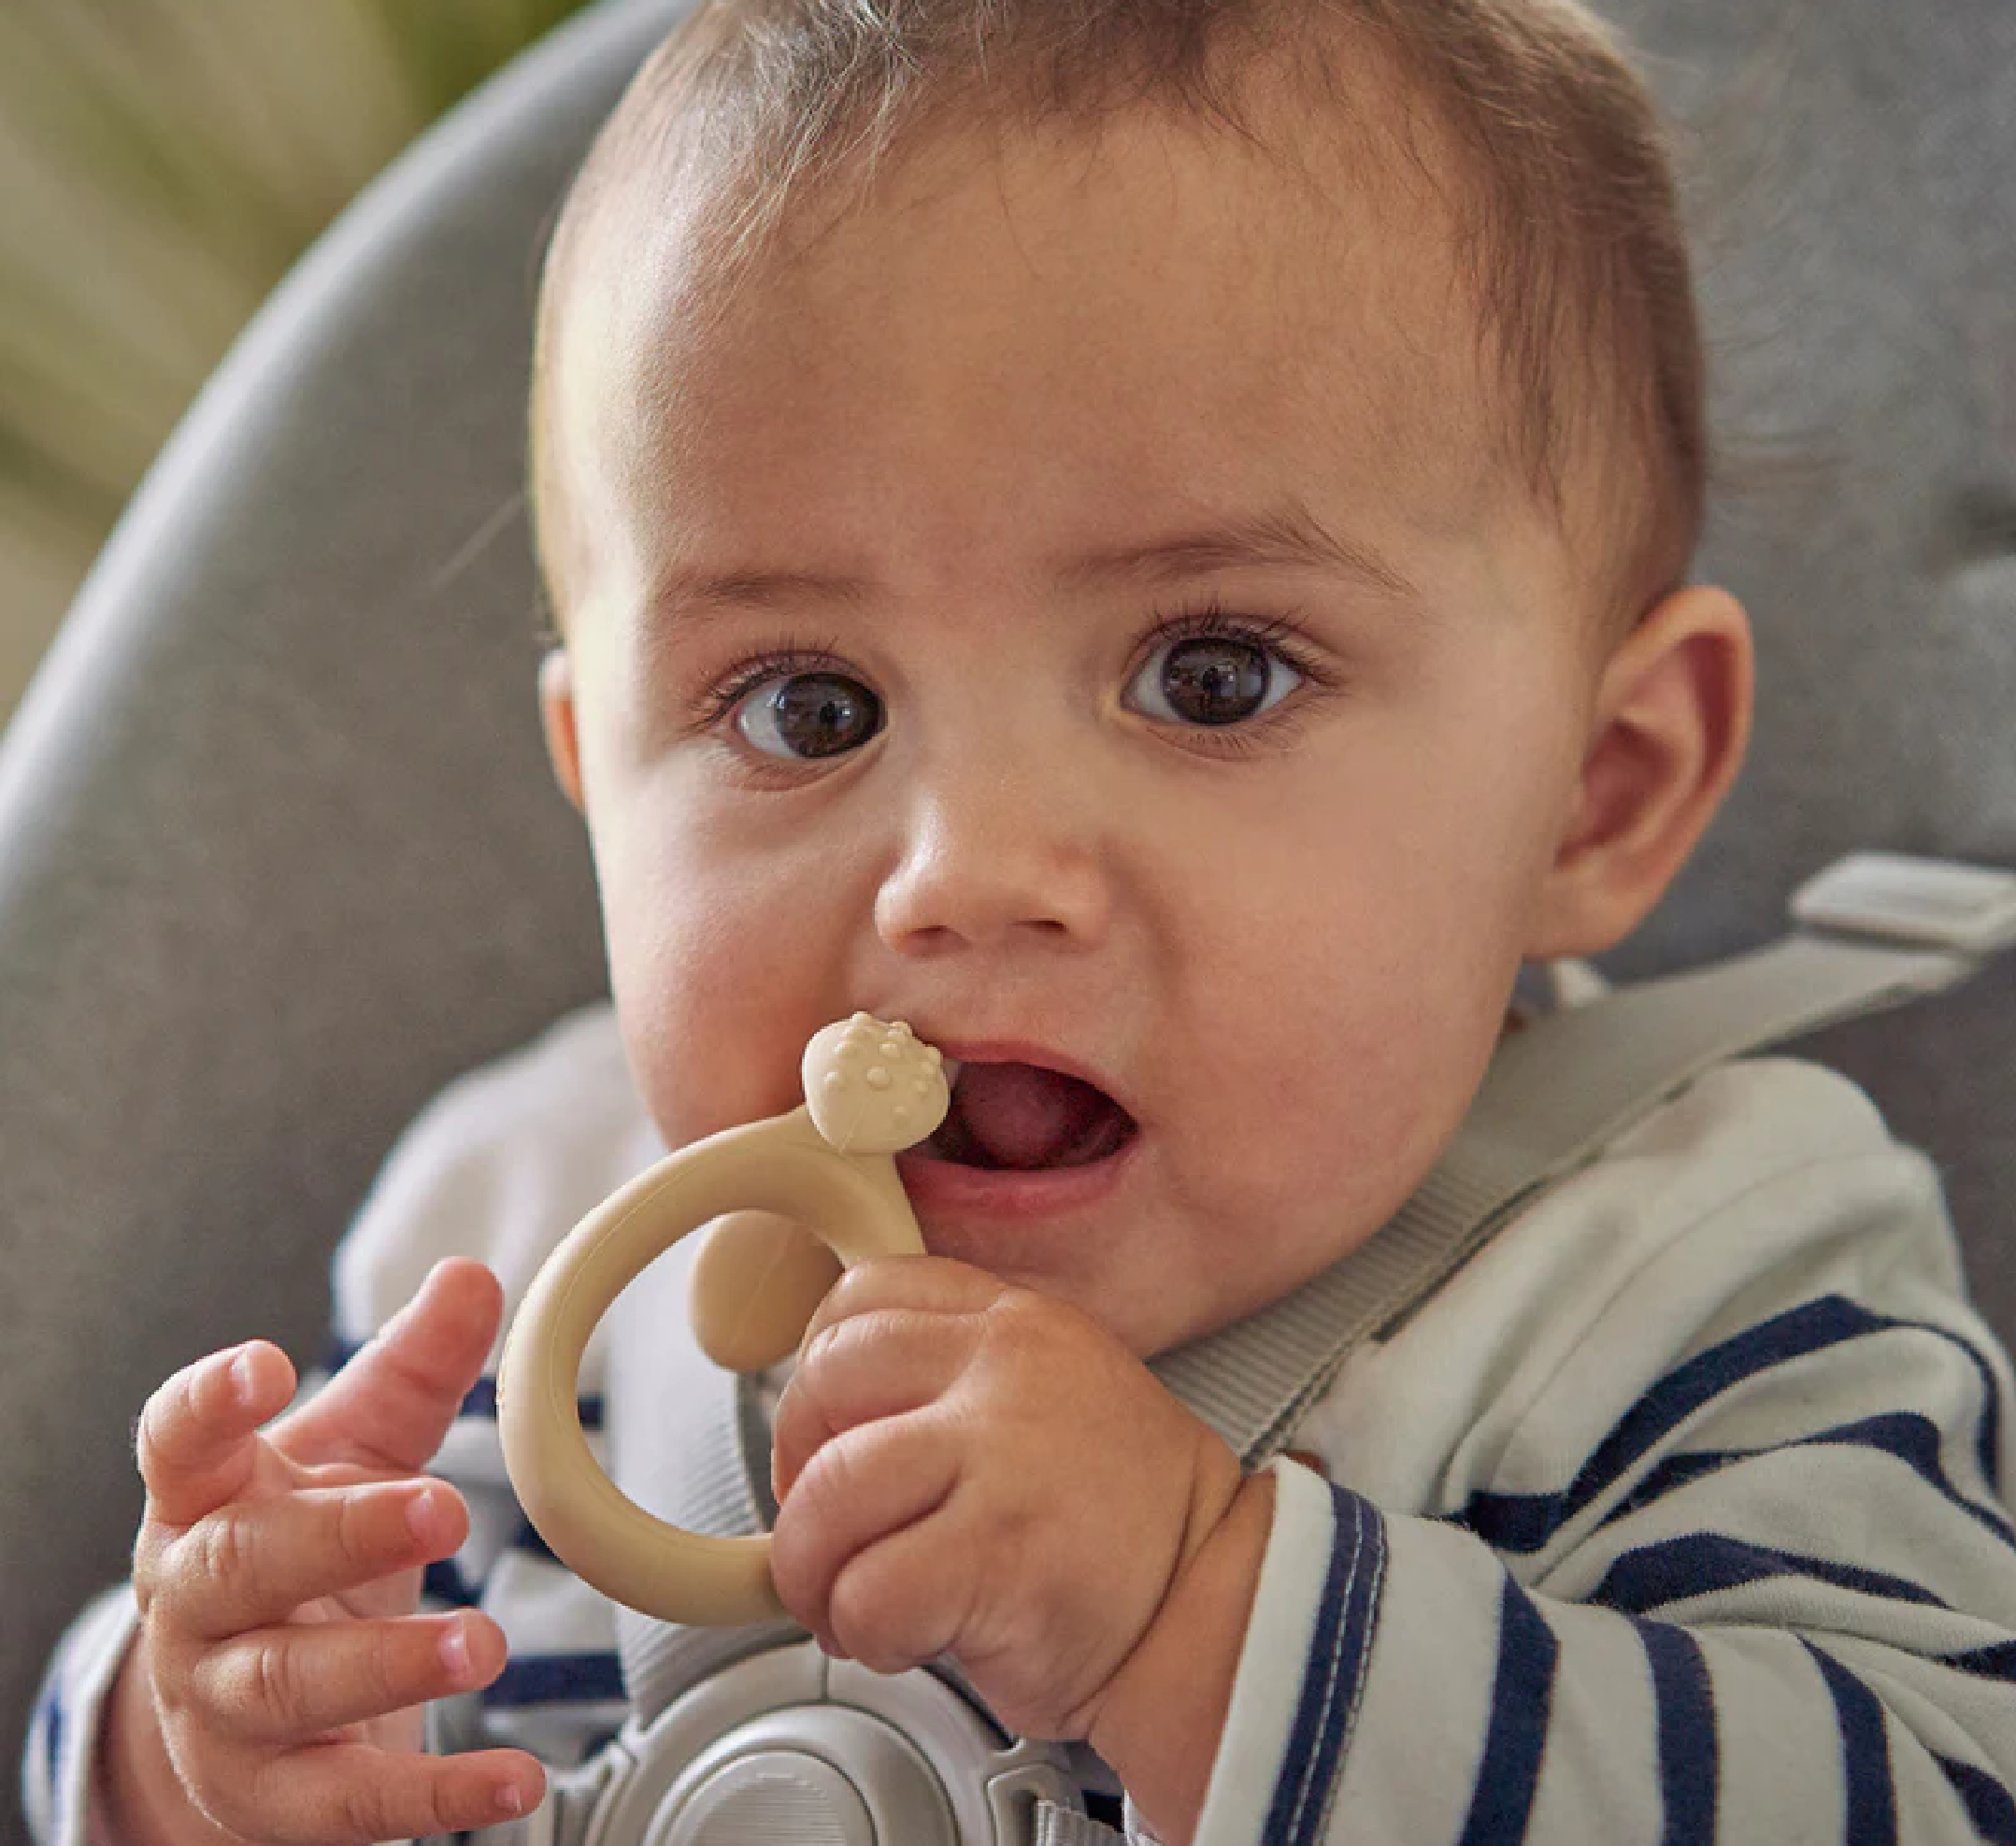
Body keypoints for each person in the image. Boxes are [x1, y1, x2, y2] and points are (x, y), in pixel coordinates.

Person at [28, 0, 2016, 1840]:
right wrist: (188, 1747)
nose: (963, 871)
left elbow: (1931, 1795)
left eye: (1212, 675)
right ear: (597, 782)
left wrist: (1203, 1621)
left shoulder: (1689, 1283)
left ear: (1601, 790)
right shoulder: (522, 1252)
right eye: (810, 709)